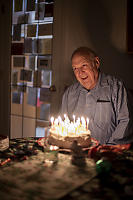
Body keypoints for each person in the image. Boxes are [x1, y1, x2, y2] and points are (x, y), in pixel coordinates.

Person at [61, 47, 133, 145]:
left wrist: (107, 149)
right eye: (75, 68)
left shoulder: (116, 88)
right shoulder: (70, 93)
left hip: (107, 154)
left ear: (96, 62)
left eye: (84, 65)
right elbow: (63, 125)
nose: (80, 72)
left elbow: (126, 121)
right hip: (78, 153)